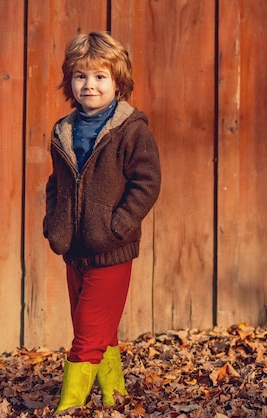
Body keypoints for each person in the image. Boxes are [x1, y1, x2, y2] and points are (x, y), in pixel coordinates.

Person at [43, 31, 161, 412]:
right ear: (70, 81)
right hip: (74, 249)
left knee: (87, 337)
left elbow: (147, 182)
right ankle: (115, 396)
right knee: (96, 330)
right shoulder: (64, 130)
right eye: (81, 76)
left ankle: (68, 408)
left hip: (111, 248)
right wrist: (53, 222)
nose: (89, 85)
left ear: (118, 82)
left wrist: (118, 226)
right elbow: (55, 183)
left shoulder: (131, 130)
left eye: (99, 77)